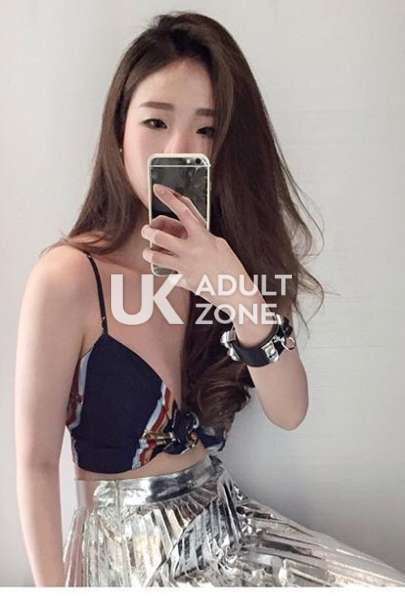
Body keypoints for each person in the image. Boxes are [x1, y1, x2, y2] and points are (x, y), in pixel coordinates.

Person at [14, 11, 405, 587]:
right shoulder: (70, 277)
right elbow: (35, 463)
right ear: (118, 131)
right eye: (156, 122)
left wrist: (235, 288)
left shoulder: (227, 265)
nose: (180, 148)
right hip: (127, 557)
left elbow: (290, 411)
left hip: (226, 526)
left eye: (206, 130)